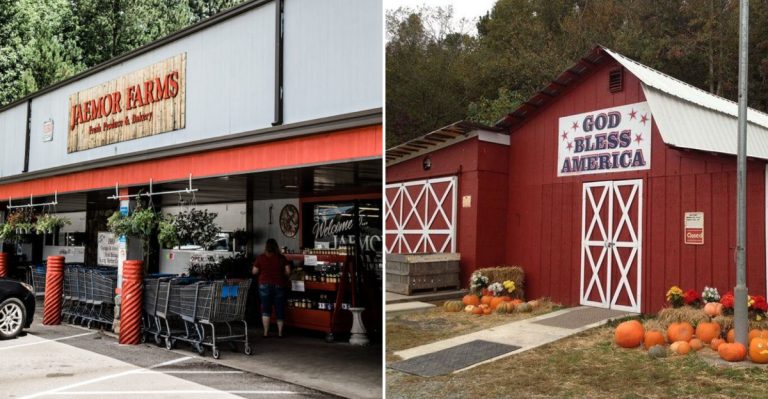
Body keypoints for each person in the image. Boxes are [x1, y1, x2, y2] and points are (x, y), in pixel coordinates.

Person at [252, 238, 291, 338]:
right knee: (279, 309)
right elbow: (288, 272)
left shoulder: (261, 258)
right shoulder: (281, 258)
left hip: (264, 285)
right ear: (276, 247)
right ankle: (280, 333)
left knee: (266, 309)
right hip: (279, 285)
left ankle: (265, 333)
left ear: (266, 247)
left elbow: (254, 272)